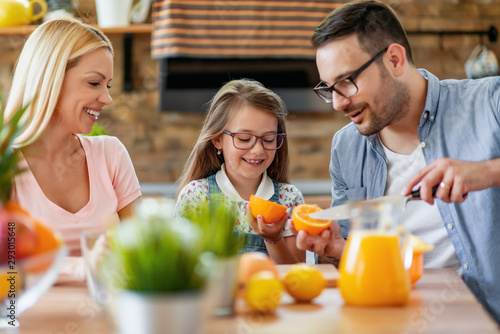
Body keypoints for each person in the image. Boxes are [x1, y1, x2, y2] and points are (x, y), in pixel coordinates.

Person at [290, 0, 500, 323]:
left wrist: (485, 171)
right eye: (329, 89)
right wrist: (337, 249)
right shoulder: (346, 148)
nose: (336, 103)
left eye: (346, 81)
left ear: (395, 59)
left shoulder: (489, 103)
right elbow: (358, 267)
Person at [4, 19, 142, 281]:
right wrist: (84, 266)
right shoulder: (6, 167)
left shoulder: (111, 154)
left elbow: (142, 252)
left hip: (109, 317)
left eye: (108, 85)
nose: (107, 98)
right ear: (50, 79)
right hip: (29, 319)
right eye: (94, 83)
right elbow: (6, 267)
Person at [175, 79, 305, 264]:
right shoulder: (196, 197)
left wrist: (273, 238)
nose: (258, 150)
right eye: (244, 139)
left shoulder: (289, 199)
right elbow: (182, 268)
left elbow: (297, 275)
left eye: (268, 139)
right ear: (218, 139)